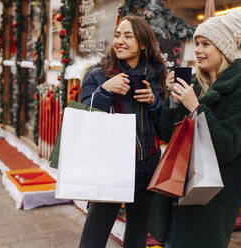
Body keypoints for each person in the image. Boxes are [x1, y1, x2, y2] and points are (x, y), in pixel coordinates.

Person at [148, 9, 241, 248]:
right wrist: (173, 99)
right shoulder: (196, 86)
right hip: (177, 192)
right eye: (197, 43)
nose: (197, 49)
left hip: (210, 203)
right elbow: (168, 134)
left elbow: (228, 147)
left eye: (206, 44)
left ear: (224, 49)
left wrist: (196, 108)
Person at [79, 15, 166, 248]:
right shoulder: (98, 75)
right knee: (93, 239)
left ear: (144, 43)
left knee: (137, 238)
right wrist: (105, 90)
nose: (120, 40)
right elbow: (84, 120)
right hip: (110, 169)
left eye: (128, 36)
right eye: (118, 35)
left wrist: (154, 102)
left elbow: (165, 130)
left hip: (147, 169)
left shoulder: (156, 77)